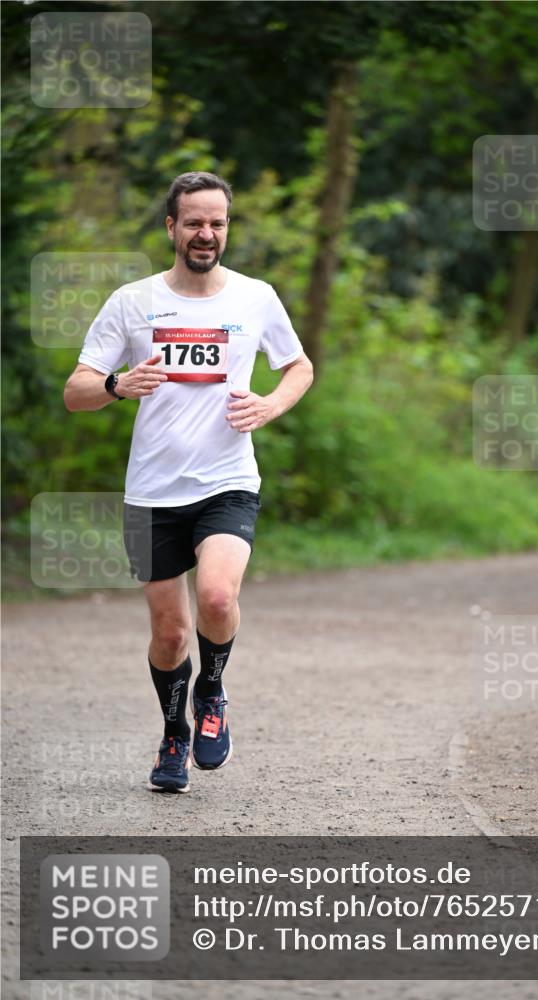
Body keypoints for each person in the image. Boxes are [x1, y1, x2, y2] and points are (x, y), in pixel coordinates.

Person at [64, 171, 313, 793]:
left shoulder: (255, 297)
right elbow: (76, 391)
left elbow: (298, 366)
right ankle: (174, 732)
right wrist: (119, 385)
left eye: (218, 223)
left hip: (228, 479)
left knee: (219, 599)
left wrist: (270, 406)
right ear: (171, 227)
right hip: (152, 492)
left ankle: (213, 690)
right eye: (195, 222)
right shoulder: (133, 301)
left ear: (228, 228)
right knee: (170, 633)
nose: (207, 234)